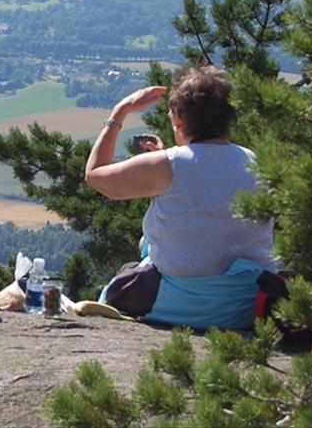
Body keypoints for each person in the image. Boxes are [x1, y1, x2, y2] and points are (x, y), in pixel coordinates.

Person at [84, 65, 274, 326]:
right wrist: (166, 156)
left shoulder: (169, 164)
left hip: (181, 306)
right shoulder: (254, 160)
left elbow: (95, 176)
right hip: (245, 305)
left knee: (127, 276)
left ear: (178, 119)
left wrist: (120, 112)